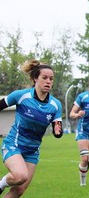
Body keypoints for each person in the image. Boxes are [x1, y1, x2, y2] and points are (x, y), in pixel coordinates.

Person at [0, 60, 63, 196]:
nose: (48, 82)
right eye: (44, 78)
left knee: (19, 190)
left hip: (32, 151)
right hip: (14, 144)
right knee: (20, 176)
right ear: (35, 79)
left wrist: (58, 131)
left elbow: (58, 129)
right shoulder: (21, 95)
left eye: (51, 79)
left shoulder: (55, 105)